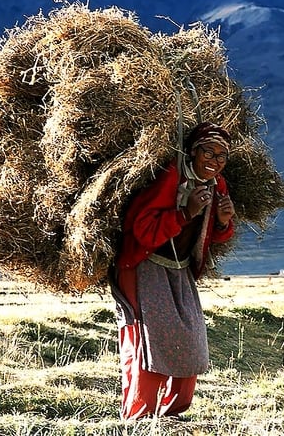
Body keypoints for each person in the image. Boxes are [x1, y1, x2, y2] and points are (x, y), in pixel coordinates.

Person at [110, 122, 236, 420]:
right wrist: (186, 212)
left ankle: (174, 415)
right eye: (208, 152)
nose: (214, 161)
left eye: (221, 156)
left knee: (191, 341)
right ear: (192, 152)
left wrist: (222, 221)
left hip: (181, 271)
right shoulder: (170, 177)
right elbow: (142, 231)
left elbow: (210, 236)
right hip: (142, 265)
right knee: (146, 343)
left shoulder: (217, 185)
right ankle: (140, 417)